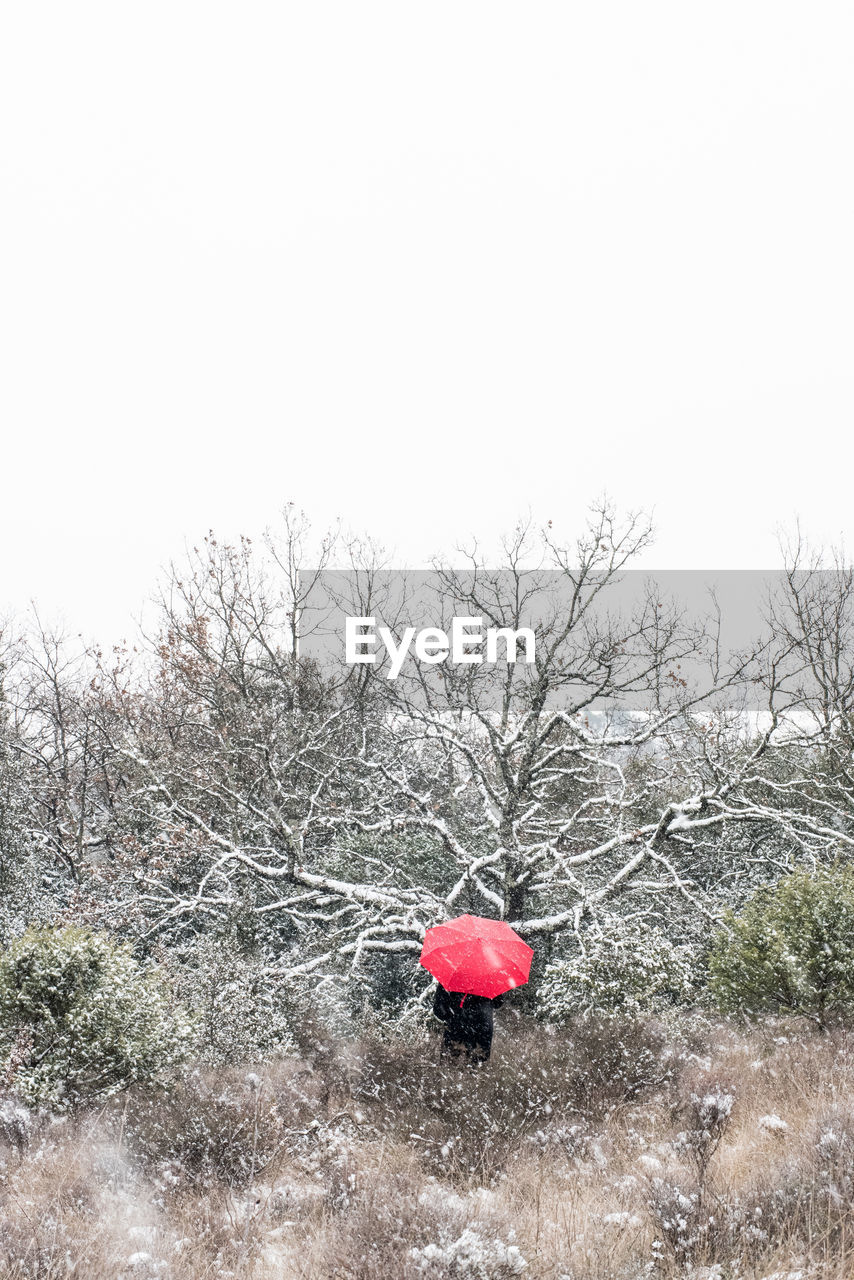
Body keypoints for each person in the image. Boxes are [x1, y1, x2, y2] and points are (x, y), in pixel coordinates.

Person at [432, 984, 504, 1065]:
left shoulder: (452, 978)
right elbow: (498, 1003)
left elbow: (438, 1008)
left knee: (449, 1069)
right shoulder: (490, 979)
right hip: (482, 1033)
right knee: (477, 1071)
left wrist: (451, 1019)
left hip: (457, 1031)